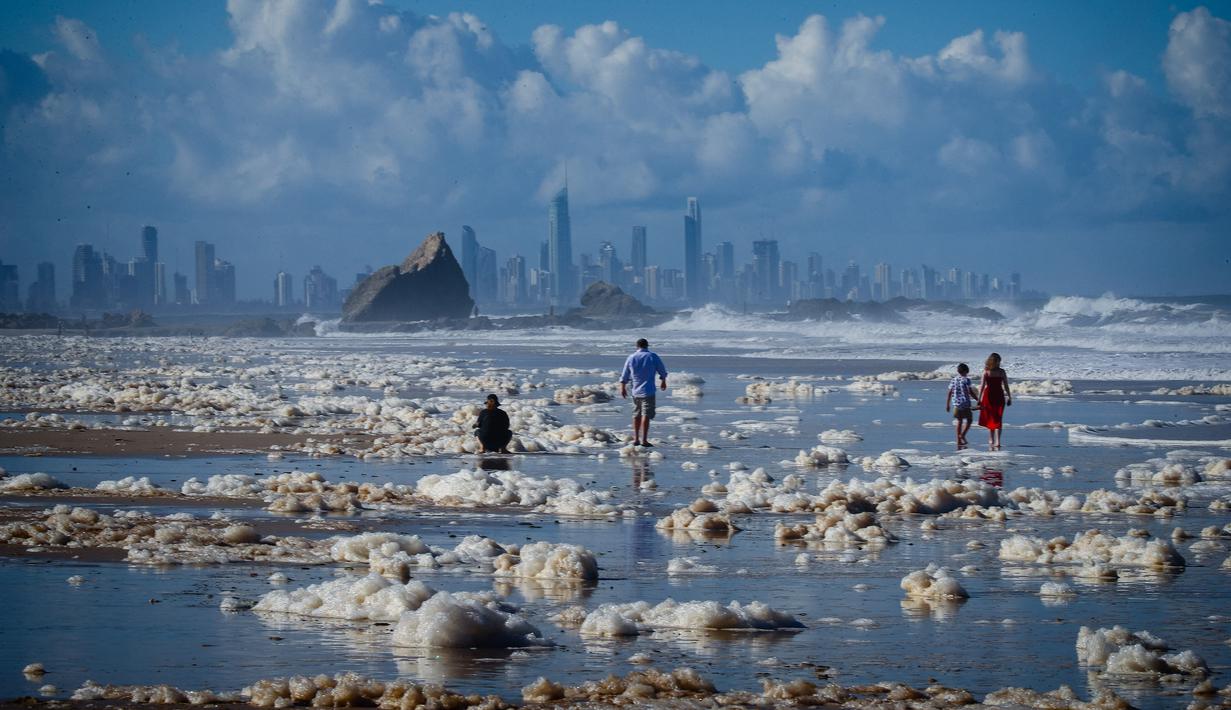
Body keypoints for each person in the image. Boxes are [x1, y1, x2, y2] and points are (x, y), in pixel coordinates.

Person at [620, 337, 668, 447]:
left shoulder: (631, 357)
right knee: (646, 414)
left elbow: (625, 374)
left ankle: (636, 439)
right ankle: (644, 440)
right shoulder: (652, 356)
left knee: (636, 414)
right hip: (648, 390)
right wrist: (663, 381)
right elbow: (662, 370)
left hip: (635, 390)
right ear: (647, 345)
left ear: (637, 346)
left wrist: (622, 387)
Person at [977, 352, 1012, 450]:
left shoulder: (1001, 371)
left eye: (999, 362)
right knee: (991, 418)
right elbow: (982, 386)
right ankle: (991, 438)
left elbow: (1006, 385)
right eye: (997, 361)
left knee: (998, 418)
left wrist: (1009, 397)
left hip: (999, 396)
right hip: (989, 397)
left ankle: (997, 441)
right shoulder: (986, 371)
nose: (999, 363)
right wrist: (979, 399)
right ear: (992, 361)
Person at [945, 363, 977, 449]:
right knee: (969, 420)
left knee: (959, 421)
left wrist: (947, 404)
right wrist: (978, 399)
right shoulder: (966, 380)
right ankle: (962, 435)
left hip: (956, 404)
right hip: (965, 403)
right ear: (966, 371)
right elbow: (970, 391)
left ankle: (958, 440)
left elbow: (949, 392)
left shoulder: (953, 380)